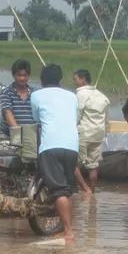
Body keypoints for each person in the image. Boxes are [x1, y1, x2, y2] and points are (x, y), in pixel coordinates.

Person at [31, 64, 79, 241]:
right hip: (72, 146)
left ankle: (68, 232)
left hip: (51, 145)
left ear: (42, 81)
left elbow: (36, 119)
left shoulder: (36, 95)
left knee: (58, 191)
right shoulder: (72, 96)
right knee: (66, 189)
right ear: (61, 81)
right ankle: (68, 228)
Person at [72, 69, 110, 195]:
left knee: (73, 163)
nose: (74, 81)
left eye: (76, 79)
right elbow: (106, 119)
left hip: (85, 133)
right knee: (93, 165)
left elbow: (77, 116)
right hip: (98, 134)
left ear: (83, 80)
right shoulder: (102, 96)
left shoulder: (80, 95)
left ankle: (84, 189)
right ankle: (92, 191)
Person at [0, 59, 37, 137]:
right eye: (19, 75)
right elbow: (8, 113)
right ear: (13, 75)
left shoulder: (35, 93)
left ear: (29, 75)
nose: (22, 78)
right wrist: (19, 134)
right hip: (10, 135)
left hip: (30, 135)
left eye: (25, 75)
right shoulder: (6, 93)